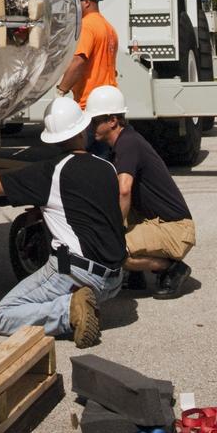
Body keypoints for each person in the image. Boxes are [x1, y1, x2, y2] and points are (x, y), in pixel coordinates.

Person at [0, 96, 124, 347]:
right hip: (114, 279)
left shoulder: (51, 172)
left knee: (4, 315)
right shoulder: (107, 168)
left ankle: (69, 311)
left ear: (52, 138)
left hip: (77, 273)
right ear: (83, 129)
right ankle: (77, 303)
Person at [86, 84, 195, 298]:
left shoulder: (127, 144)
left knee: (111, 250)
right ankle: (136, 275)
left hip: (175, 229)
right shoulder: (125, 141)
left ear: (112, 120)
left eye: (96, 120)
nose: (91, 126)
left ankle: (171, 267)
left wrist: (113, 232)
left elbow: (124, 191)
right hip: (159, 221)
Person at [54, 0, 118, 110]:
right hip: (110, 100)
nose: (72, 7)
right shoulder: (109, 28)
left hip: (90, 103)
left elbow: (78, 61)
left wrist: (61, 91)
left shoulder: (87, 26)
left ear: (87, 2)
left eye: (75, 2)